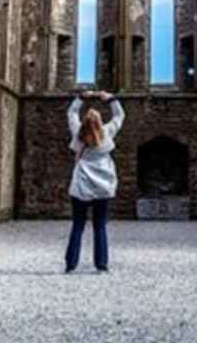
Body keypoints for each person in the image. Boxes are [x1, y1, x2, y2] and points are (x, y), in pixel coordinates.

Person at [65, 89, 123, 273]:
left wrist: (81, 98)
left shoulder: (78, 134)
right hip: (103, 186)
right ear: (99, 122)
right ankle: (101, 264)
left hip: (81, 185)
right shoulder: (107, 134)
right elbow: (119, 116)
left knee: (78, 225)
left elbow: (71, 113)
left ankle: (71, 264)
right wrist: (111, 99)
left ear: (85, 122)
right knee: (100, 226)